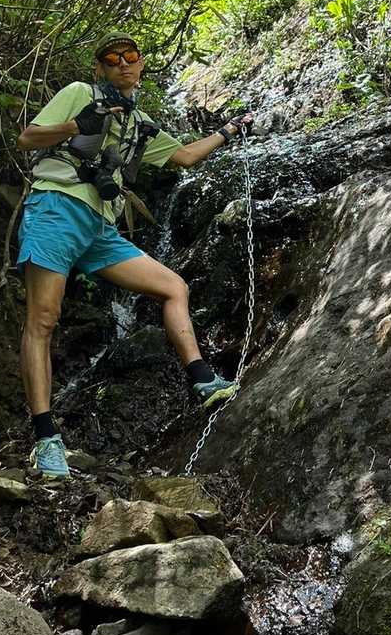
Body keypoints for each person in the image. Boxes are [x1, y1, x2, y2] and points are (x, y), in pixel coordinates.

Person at [15, 32, 251, 479]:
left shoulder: (139, 122)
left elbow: (185, 156)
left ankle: (203, 380)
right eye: (112, 58)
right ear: (100, 68)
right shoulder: (80, 93)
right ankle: (46, 441)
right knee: (43, 319)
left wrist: (228, 131)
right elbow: (28, 138)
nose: (123, 64)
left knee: (173, 287)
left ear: (141, 65)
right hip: (56, 209)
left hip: (99, 228)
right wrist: (75, 126)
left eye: (131, 57)